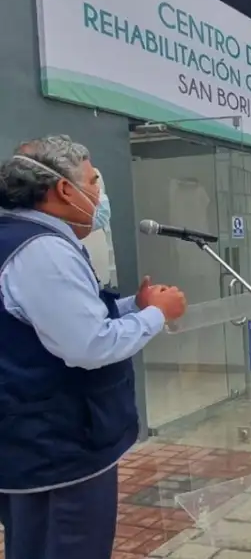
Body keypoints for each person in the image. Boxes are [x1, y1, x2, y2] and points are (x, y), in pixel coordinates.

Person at [0, 135, 187, 559]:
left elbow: (53, 321)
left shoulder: (22, 239)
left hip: (33, 444)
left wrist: (135, 305)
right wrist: (158, 315)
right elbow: (88, 345)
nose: (100, 195)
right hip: (59, 451)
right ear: (65, 189)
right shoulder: (43, 250)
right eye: (93, 182)